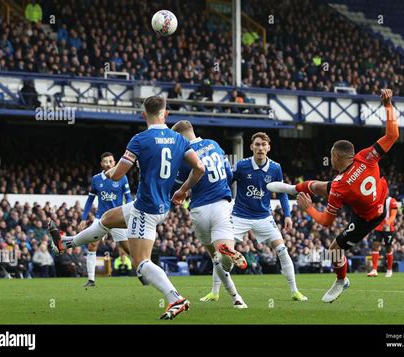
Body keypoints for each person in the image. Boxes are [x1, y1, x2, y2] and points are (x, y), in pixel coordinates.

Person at [49, 96, 205, 320]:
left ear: (143, 115)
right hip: (159, 205)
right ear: (166, 114)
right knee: (106, 220)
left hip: (146, 209)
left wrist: (110, 172)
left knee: (140, 263)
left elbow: (117, 175)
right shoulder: (179, 139)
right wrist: (183, 190)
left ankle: (175, 299)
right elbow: (199, 167)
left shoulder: (139, 140)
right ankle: (65, 243)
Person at [268, 89, 399, 303]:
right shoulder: (366, 156)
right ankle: (293, 189)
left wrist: (308, 209)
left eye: (330, 156)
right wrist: (388, 105)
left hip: (368, 218)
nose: (329, 159)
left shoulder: (340, 186)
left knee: (335, 250)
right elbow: (393, 134)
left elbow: (327, 222)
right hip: (377, 202)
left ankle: (341, 280)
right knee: (322, 186)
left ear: (336, 157)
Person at [202, 132, 307, 302]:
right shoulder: (242, 165)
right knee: (222, 252)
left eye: (263, 145)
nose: (260, 148)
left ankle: (295, 291)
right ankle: (214, 292)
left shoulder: (275, 168)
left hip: (264, 216)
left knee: (282, 250)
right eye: (257, 144)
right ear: (251, 147)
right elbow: (225, 182)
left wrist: (287, 214)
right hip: (239, 215)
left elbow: (282, 192)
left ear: (268, 148)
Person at [171, 120, 248, 309]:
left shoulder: (184, 155)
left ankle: (236, 297)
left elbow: (178, 184)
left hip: (199, 209)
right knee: (225, 260)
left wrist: (180, 190)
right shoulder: (214, 144)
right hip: (221, 205)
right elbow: (229, 175)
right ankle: (227, 255)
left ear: (180, 137)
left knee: (214, 257)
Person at [78, 152, 133, 287]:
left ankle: (143, 273)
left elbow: (129, 198)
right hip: (101, 218)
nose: (108, 164)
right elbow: (90, 199)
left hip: (117, 217)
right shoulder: (96, 179)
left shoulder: (122, 177)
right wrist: (84, 218)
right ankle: (91, 279)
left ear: (114, 163)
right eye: (105, 162)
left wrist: (129, 214)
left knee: (127, 248)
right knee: (92, 245)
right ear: (102, 164)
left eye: (110, 161)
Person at [367, 196, 398, 278]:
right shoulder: (377, 199)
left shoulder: (392, 200)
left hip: (388, 228)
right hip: (378, 227)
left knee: (388, 248)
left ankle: (389, 269)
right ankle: (374, 270)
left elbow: (393, 216)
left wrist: (387, 223)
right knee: (375, 246)